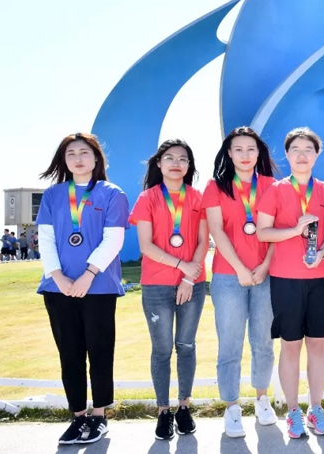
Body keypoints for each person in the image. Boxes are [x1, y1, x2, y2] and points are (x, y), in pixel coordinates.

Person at [36, 133, 129, 445]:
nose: (78, 158)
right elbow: (46, 239)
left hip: (99, 286)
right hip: (58, 288)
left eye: (84, 152)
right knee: (70, 353)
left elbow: (114, 239)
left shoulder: (112, 193)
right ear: (63, 160)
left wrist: (89, 275)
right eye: (71, 153)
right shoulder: (53, 195)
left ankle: (99, 416)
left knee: (100, 351)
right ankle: (77, 417)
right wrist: (58, 277)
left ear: (96, 157)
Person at [256, 127, 324, 439]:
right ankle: (293, 411)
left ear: (317, 155)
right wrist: (294, 231)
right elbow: (263, 232)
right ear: (287, 154)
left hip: (323, 278)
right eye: (296, 149)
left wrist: (322, 252)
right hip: (286, 280)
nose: (302, 154)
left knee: (318, 345)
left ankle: (316, 408)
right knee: (290, 346)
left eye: (308, 149)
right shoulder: (274, 190)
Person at [202, 127, 279, 437]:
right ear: (229, 154)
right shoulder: (215, 187)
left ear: (259, 153)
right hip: (227, 275)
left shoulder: (273, 186)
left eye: (251, 149)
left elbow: (279, 230)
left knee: (263, 342)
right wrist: (240, 269)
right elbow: (216, 231)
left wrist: (265, 265)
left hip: (266, 274)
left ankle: (262, 400)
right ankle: (232, 407)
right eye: (238, 149)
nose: (245, 155)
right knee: (230, 343)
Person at [129, 139, 209, 439]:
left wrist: (188, 278)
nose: (176, 163)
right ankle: (163, 411)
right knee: (162, 349)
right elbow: (146, 246)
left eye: (183, 159)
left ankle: (184, 407)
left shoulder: (198, 197)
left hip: (193, 284)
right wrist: (180, 266)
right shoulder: (147, 198)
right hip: (156, 285)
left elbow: (203, 242)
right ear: (159, 164)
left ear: (189, 166)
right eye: (170, 158)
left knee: (186, 346)